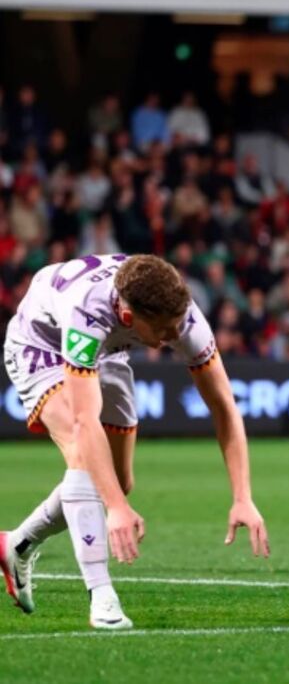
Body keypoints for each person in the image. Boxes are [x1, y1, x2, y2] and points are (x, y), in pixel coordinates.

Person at [0, 254, 270, 629]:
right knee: (86, 462)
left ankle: (17, 545)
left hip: (110, 350)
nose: (173, 337)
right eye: (162, 331)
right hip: (40, 345)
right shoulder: (86, 313)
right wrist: (115, 509)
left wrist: (243, 497)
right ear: (130, 318)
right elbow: (84, 423)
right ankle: (102, 596)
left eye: (177, 327)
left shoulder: (183, 315)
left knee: (119, 481)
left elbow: (224, 406)